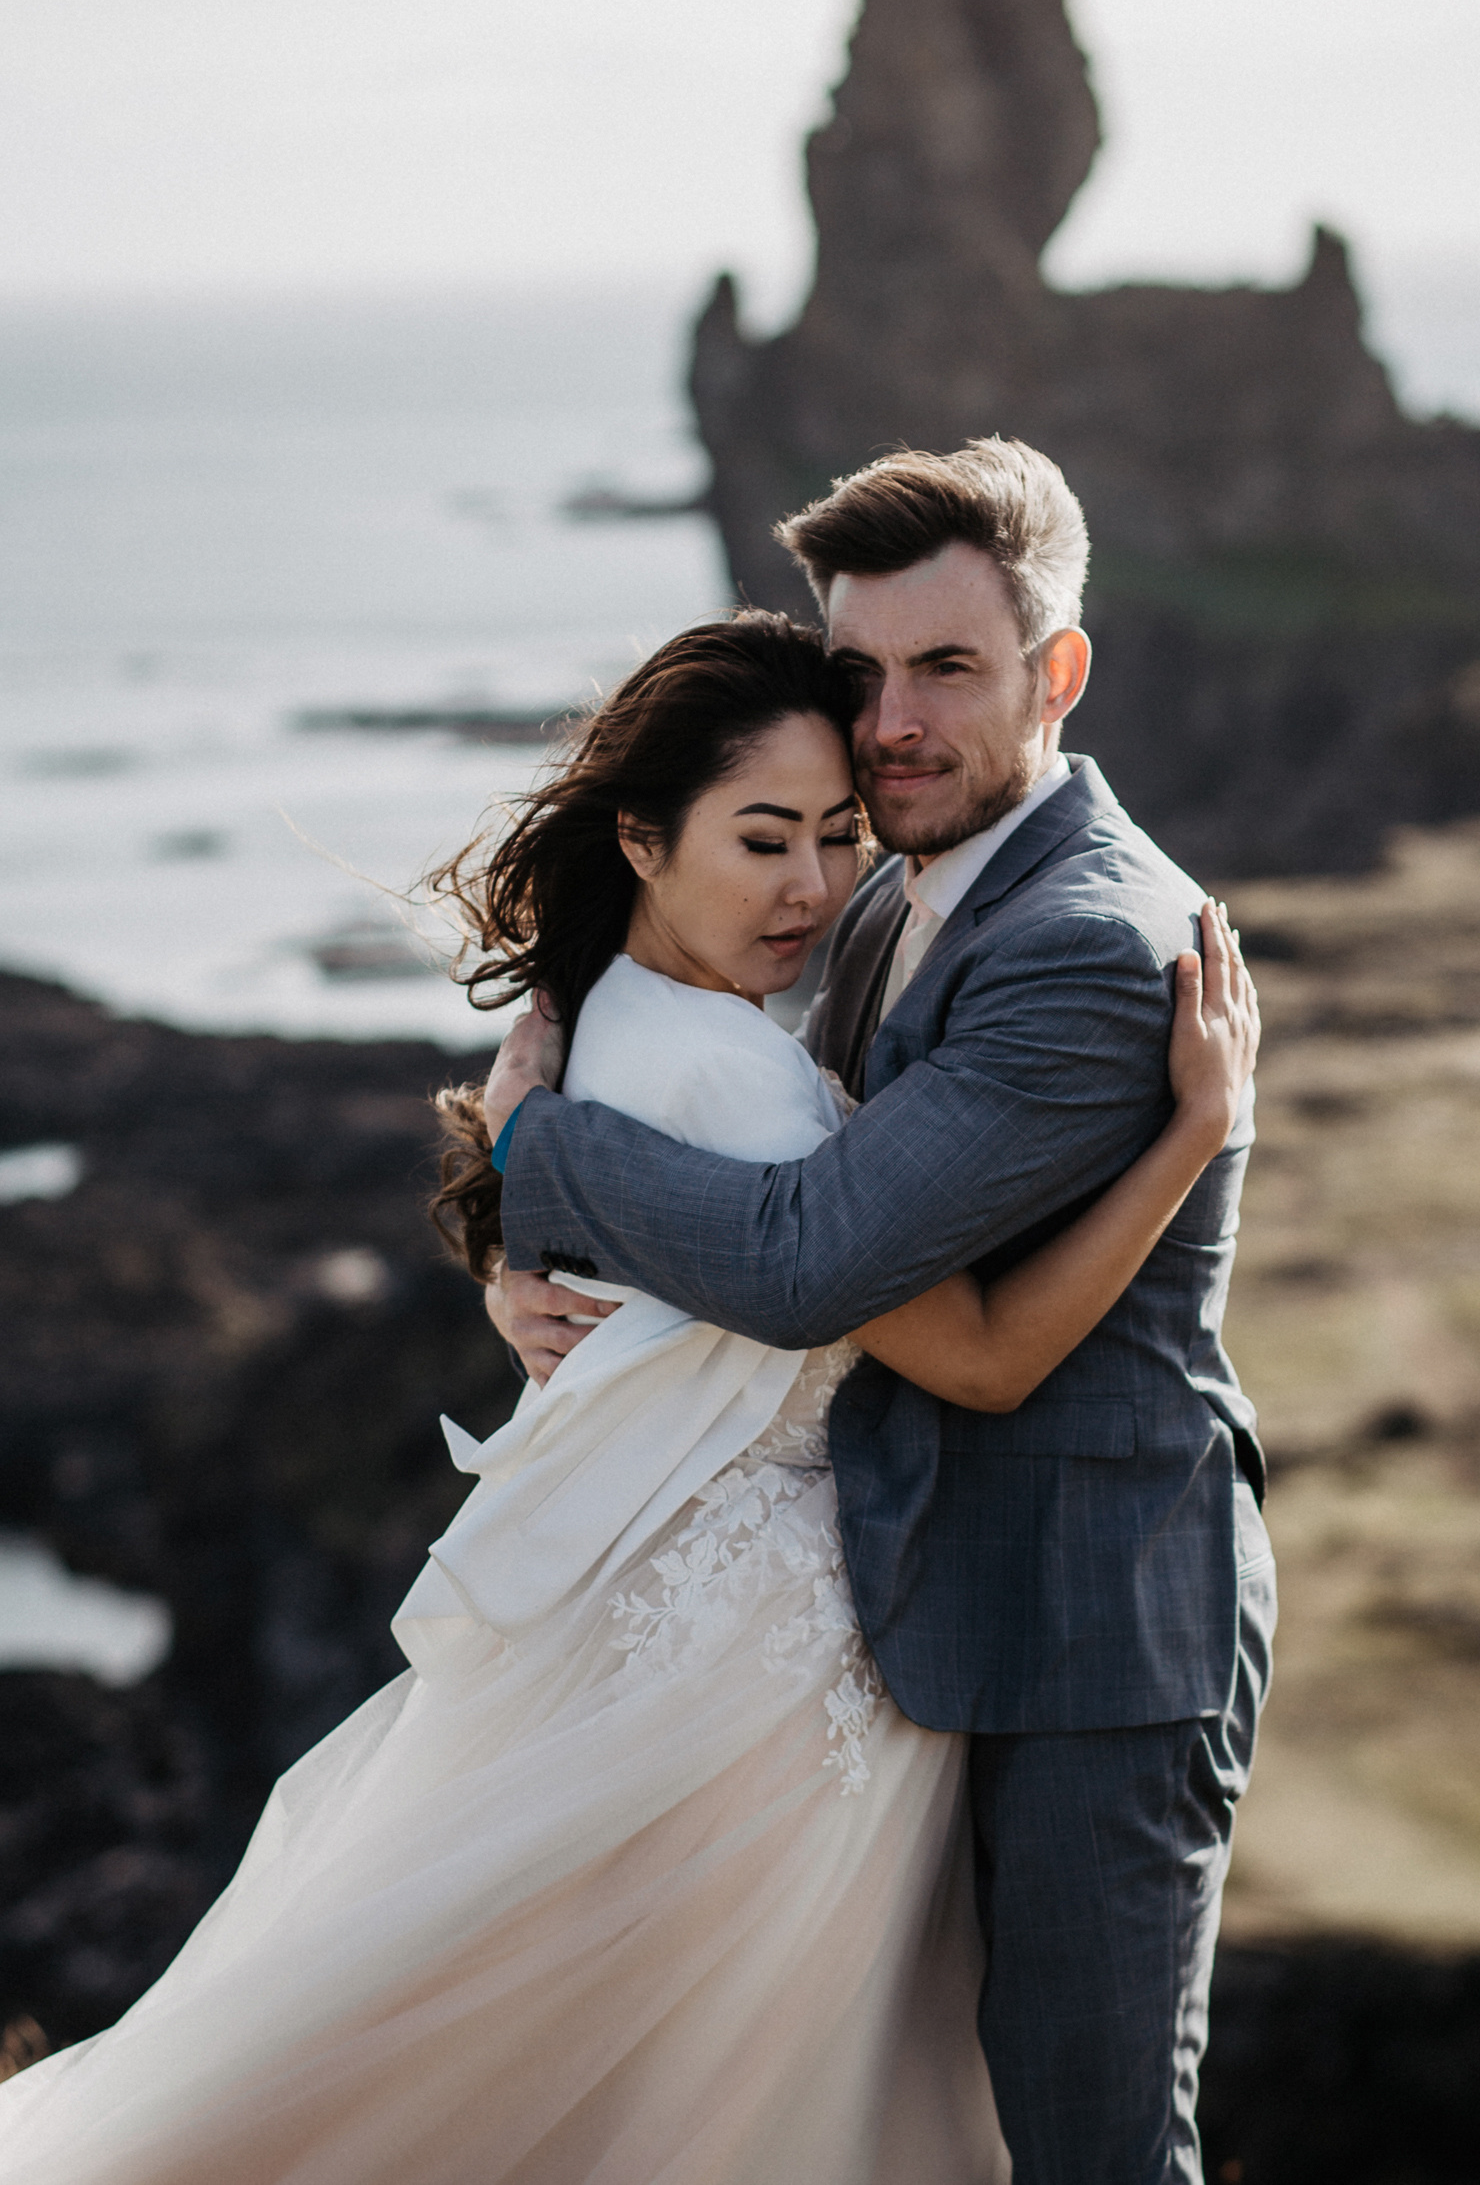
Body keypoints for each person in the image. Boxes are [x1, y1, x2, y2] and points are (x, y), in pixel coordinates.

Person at [0, 606, 1257, 2185]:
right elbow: (990, 1357)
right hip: (764, 1678)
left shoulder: (618, 1014)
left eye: (834, 835)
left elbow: (632, 1233)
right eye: (761, 839)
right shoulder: (729, 1076)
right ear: (643, 843)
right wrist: (1193, 1138)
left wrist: (514, 1224)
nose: (809, 886)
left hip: (697, 1621)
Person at [486, 441, 1276, 2185]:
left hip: (1088, 1639)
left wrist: (539, 1151)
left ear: (1057, 674)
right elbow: (686, 994)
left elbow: (807, 1259)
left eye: (950, 669)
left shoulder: (1084, 939)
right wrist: (515, 1234)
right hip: (916, 1620)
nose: (893, 721)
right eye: (863, 674)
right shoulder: (883, 896)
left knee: (1093, 2152)